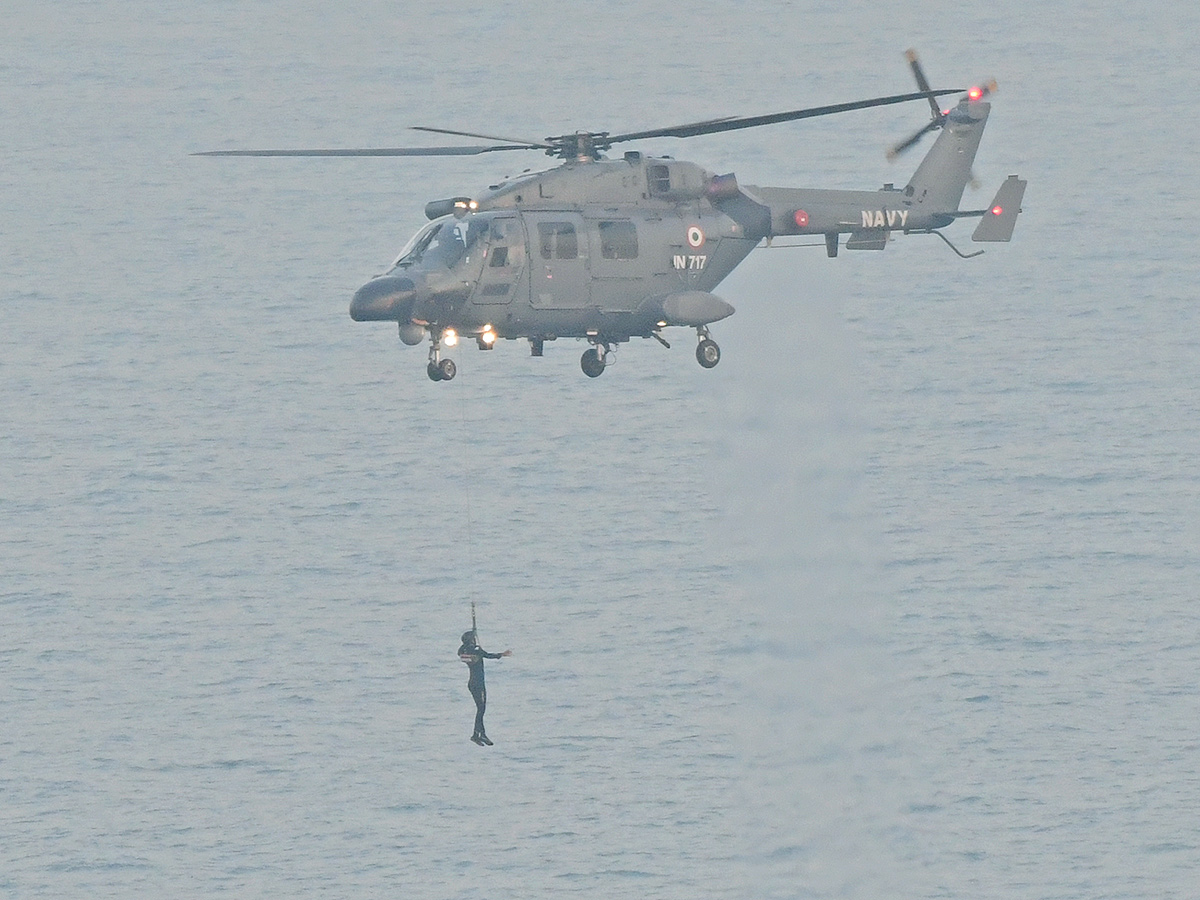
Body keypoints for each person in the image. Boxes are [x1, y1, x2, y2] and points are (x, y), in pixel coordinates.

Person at [458, 630, 511, 746]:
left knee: (480, 709)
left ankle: (479, 734)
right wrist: (502, 654)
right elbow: (488, 655)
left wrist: (472, 645)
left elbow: (462, 651)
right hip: (479, 684)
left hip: (472, 683)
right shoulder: (476, 650)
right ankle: (478, 734)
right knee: (481, 709)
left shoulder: (464, 651)